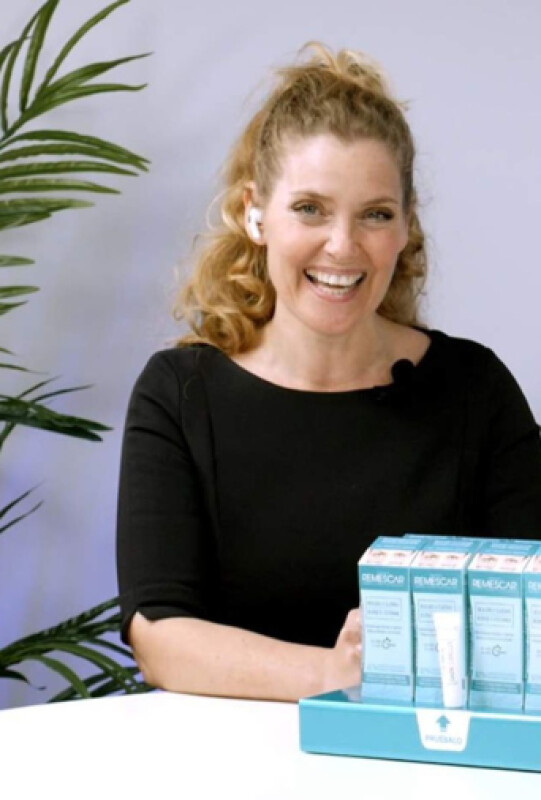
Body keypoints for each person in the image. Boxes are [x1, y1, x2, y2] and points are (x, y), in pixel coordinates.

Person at [116, 42, 541, 702]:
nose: (342, 246)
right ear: (254, 212)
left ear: (405, 227)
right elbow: (159, 634)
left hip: (425, 751)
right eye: (310, 208)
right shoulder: (180, 393)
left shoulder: (475, 389)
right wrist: (333, 675)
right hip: (224, 753)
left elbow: (529, 604)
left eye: (375, 214)